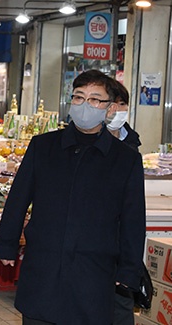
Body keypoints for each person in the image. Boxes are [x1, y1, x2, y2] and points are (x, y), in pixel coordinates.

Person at [0, 70, 146, 324]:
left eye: (96, 99)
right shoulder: (43, 147)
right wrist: (6, 243)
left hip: (94, 271)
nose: (86, 105)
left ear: (109, 109)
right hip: (44, 264)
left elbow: (133, 219)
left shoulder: (125, 159)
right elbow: (18, 199)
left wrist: (129, 270)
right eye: (79, 97)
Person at [106, 79, 144, 325]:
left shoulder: (132, 146)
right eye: (113, 104)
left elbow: (134, 215)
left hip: (121, 249)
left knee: (120, 309)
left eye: (123, 104)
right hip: (95, 246)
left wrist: (130, 267)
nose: (118, 110)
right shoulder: (85, 141)